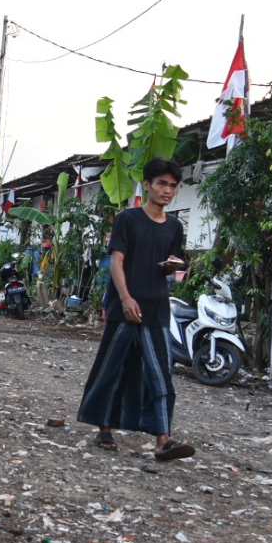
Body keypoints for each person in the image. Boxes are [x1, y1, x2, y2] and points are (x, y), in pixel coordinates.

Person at [76, 158, 194, 461]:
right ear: (147, 185)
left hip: (156, 310)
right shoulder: (128, 219)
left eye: (172, 185)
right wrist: (126, 299)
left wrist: (172, 268)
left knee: (160, 375)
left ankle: (163, 439)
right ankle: (104, 428)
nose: (167, 190)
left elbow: (171, 266)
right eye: (161, 183)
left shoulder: (174, 227)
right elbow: (117, 261)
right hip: (124, 308)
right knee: (113, 368)